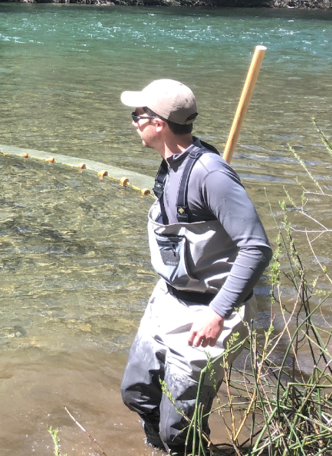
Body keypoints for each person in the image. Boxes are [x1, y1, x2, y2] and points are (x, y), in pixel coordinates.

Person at [119, 79, 272, 454]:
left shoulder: (211, 176)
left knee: (180, 428)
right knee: (136, 392)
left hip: (210, 308)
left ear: (160, 124)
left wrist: (217, 313)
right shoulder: (170, 164)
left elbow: (256, 248)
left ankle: (182, 449)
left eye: (139, 114)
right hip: (169, 297)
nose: (133, 121)